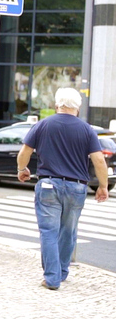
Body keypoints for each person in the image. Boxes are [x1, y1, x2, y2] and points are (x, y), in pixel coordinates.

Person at [16, 88, 109, 290]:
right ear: (78, 107)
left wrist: (22, 169)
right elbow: (99, 160)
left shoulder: (43, 125)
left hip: (49, 183)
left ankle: (52, 277)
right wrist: (103, 186)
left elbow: (25, 151)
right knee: (68, 231)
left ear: (57, 104)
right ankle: (62, 271)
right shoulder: (87, 130)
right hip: (77, 187)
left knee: (49, 231)